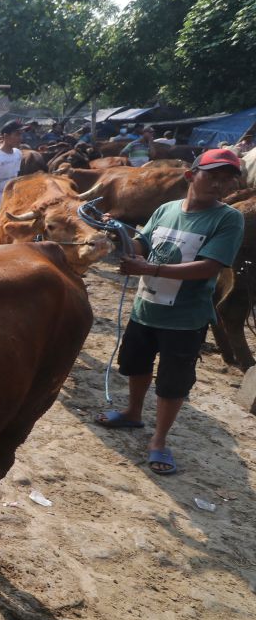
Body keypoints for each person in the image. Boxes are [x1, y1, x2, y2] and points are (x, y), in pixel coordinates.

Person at [95, 149, 245, 475]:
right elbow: (143, 243)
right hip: (145, 307)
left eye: (227, 179)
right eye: (212, 177)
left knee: (173, 382)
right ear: (191, 176)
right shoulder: (166, 209)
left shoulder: (228, 219)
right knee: (136, 365)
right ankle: (134, 413)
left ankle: (159, 441)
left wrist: (149, 268)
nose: (219, 185)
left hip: (185, 319)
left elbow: (209, 266)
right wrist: (120, 238)